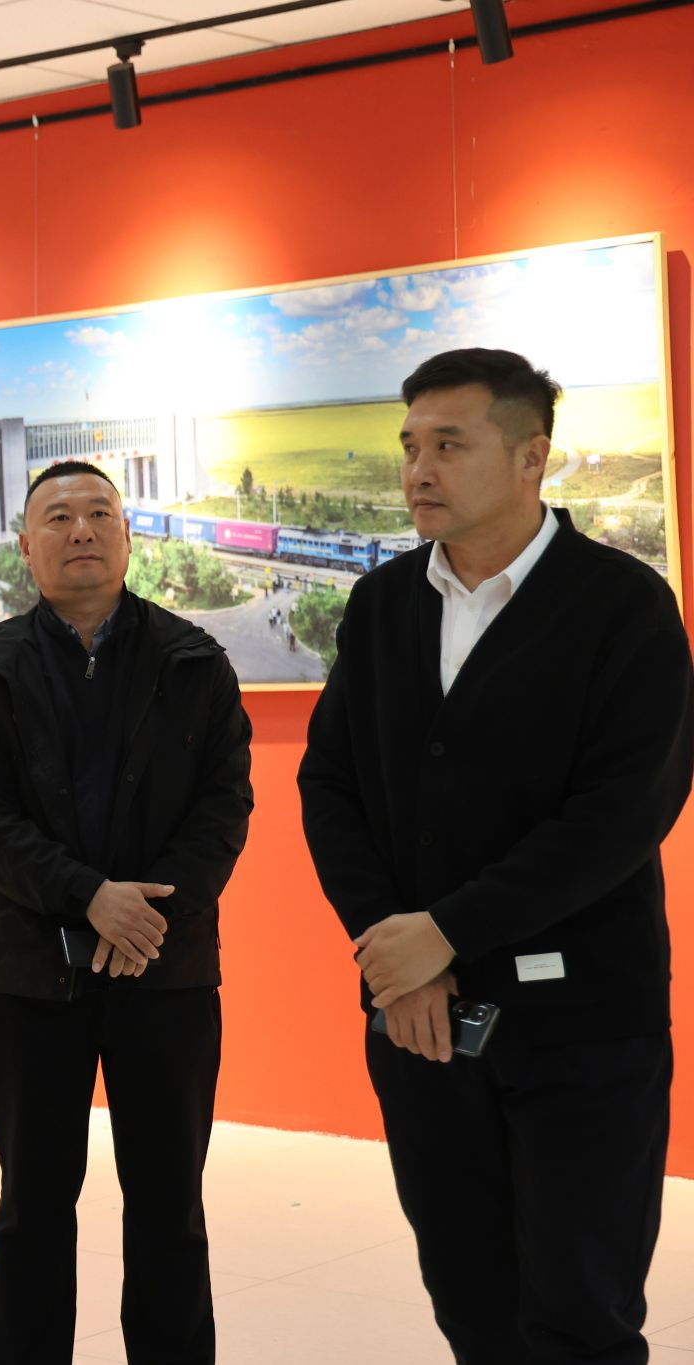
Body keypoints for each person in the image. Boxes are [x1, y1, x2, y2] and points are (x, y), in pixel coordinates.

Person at [298, 348, 692, 1365]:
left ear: (530, 458)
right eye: (408, 446)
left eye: (447, 445)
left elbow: (620, 815)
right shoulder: (382, 605)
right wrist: (391, 952)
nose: (417, 470)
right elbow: (329, 787)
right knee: (470, 1301)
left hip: (582, 1026)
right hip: (418, 1025)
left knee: (579, 1314)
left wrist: (445, 934)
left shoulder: (622, 606)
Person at [0, 459, 252, 1365]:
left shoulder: (196, 660)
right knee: (33, 1205)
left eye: (99, 513)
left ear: (126, 534)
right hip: (33, 975)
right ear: (26, 545)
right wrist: (91, 898)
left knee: (169, 1204)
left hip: (168, 970)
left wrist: (146, 919)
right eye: (58, 516)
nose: (81, 529)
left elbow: (223, 809)